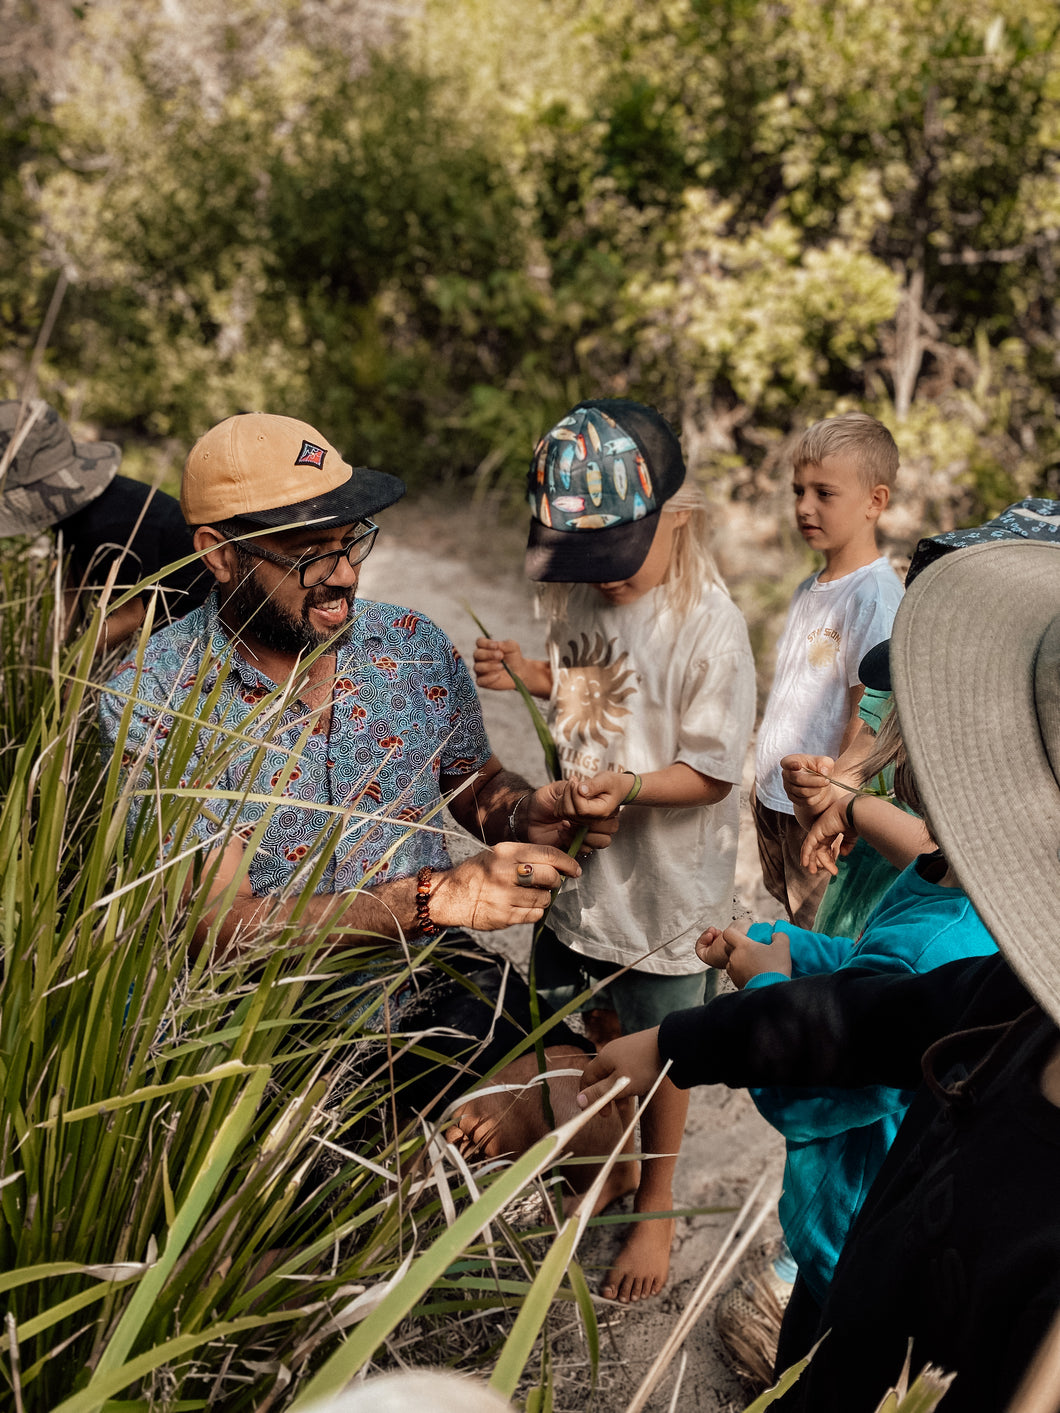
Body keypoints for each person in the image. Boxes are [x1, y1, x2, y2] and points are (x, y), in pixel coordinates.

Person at [577, 538, 1060, 1412]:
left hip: (866, 1288)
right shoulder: (1014, 993)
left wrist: (764, 981)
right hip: (858, 1287)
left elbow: (850, 1057)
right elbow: (878, 1015)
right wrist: (699, 1026)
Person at [98, 410, 626, 1197]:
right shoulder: (155, 700)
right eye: (307, 555)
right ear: (218, 554)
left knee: (602, 1116)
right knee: (299, 1222)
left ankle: (437, 1163)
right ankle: (386, 1184)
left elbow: (475, 785)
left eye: (351, 540)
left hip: (427, 977)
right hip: (260, 1024)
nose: (343, 573)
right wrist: (432, 897)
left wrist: (533, 812)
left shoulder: (413, 646)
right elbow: (218, 928)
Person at [474, 399, 756, 1302]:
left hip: (667, 887)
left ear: (677, 515)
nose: (604, 578)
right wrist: (534, 675)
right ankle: (610, 1159)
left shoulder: (708, 624)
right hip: (584, 878)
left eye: (615, 556)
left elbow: (711, 770)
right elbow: (598, 691)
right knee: (583, 1021)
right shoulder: (581, 597)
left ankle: (658, 1200)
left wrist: (629, 789)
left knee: (666, 1041)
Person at [752, 411, 903, 928]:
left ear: (874, 501)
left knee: (821, 931)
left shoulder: (874, 596)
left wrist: (839, 799)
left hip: (821, 807)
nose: (804, 507)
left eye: (824, 493)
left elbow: (873, 710)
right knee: (790, 912)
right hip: (778, 794)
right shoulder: (808, 588)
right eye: (798, 491)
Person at [0, 398, 210, 642]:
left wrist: (72, 667)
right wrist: (49, 657)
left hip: (199, 625)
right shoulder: (72, 513)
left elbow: (130, 617)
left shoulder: (112, 525)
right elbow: (73, 588)